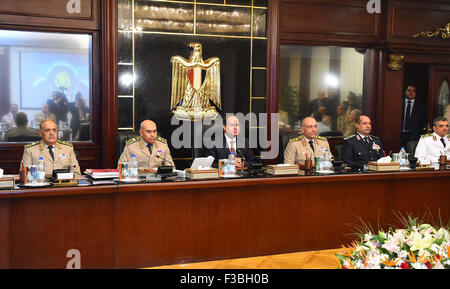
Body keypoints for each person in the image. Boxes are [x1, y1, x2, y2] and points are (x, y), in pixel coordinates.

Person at [400, 85, 426, 151]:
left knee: (412, 156)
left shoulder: (421, 105)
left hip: (414, 136)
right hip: (400, 135)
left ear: (416, 93)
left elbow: (423, 121)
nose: (411, 93)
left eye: (413, 91)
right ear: (405, 92)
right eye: (409, 90)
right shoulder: (399, 102)